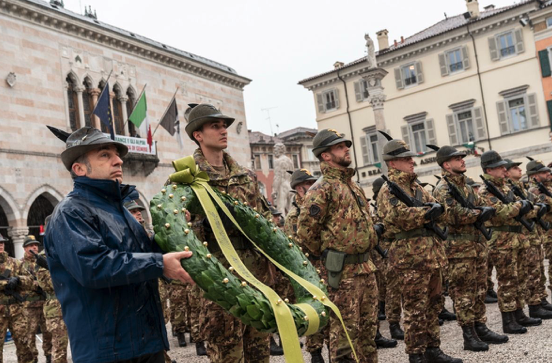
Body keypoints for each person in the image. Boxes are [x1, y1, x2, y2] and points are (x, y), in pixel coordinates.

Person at [44, 126, 193, 363]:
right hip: (107, 351)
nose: (119, 161)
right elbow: (93, 267)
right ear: (79, 168)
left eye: (117, 154)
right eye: (105, 155)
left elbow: (143, 255)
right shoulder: (71, 212)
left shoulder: (120, 210)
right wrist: (158, 263)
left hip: (146, 343)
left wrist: (173, 233)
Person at [184, 103, 272, 362]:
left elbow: (264, 224)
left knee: (259, 353)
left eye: (224, 126)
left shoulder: (245, 177)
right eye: (215, 126)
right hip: (219, 282)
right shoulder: (187, 178)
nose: (223, 131)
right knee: (227, 355)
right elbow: (180, 236)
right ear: (198, 135)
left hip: (255, 279)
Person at [297, 129, 380, 363]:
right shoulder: (321, 189)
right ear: (326, 156)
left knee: (367, 335)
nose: (346, 149)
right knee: (344, 338)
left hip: (366, 268)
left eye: (346, 145)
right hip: (342, 275)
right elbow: (305, 232)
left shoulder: (352, 186)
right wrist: (330, 256)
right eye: (340, 146)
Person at [376, 136, 461, 363]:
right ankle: (416, 354)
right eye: (406, 158)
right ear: (392, 163)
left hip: (431, 255)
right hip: (409, 259)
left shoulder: (416, 188)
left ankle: (433, 349)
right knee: (415, 310)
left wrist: (433, 210)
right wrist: (426, 213)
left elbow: (440, 208)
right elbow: (397, 216)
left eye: (410, 157)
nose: (412, 161)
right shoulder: (388, 190)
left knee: (434, 305)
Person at [431, 145, 508, 352]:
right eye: (457, 158)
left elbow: (485, 206)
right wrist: (477, 214)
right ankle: (469, 334)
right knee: (463, 293)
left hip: (476, 246)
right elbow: (451, 215)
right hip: (458, 250)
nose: (463, 160)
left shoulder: (465, 185)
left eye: (462, 157)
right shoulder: (443, 189)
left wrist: (479, 211)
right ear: (447, 165)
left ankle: (480, 326)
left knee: (479, 289)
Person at [477, 151, 542, 335]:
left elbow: (523, 210)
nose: (504, 169)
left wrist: (525, 207)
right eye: (499, 167)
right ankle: (508, 319)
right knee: (507, 280)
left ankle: (519, 313)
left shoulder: (505, 188)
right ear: (489, 169)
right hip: (502, 241)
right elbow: (499, 212)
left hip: (517, 238)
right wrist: (521, 206)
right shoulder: (486, 190)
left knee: (520, 277)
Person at [371, 177, 404, 341]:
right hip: (385, 250)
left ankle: (395, 322)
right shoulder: (377, 210)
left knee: (397, 288)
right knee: (391, 289)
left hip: (395, 248)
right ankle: (393, 324)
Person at [36, 216, 69, 363]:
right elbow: (50, 285)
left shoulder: (66, 251)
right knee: (59, 349)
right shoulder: (43, 258)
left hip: (73, 304)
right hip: (56, 310)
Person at [0, 234, 35, 363]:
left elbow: (31, 281)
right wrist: (5, 284)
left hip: (17, 311)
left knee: (24, 347)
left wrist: (19, 280)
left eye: (2, 242)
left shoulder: (15, 263)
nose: (1, 244)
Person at [524, 159, 552, 313]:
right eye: (543, 172)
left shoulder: (547, 188)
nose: (548, 173)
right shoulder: (534, 192)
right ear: (534, 176)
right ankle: (536, 302)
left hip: (540, 234)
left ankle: (542, 299)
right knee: (535, 270)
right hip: (546, 232)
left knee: (539, 269)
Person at [20, 235, 53, 362]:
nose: (34, 247)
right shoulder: (20, 264)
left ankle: (49, 356)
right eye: (30, 245)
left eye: (35, 245)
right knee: (30, 335)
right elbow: (18, 283)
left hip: (45, 303)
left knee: (48, 333)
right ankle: (32, 358)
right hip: (29, 306)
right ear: (24, 248)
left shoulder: (43, 261)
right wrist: (34, 284)